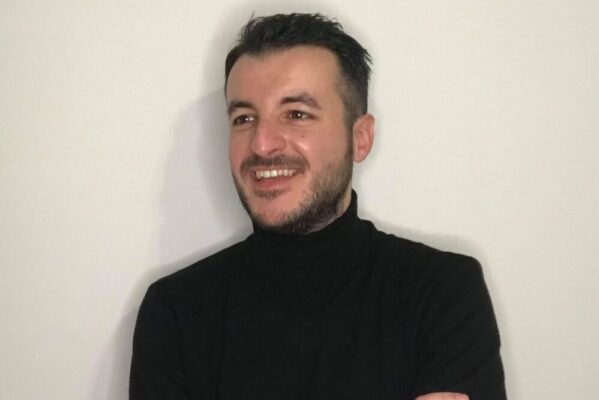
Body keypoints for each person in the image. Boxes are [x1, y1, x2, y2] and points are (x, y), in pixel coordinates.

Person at [129, 13, 506, 400]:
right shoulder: (175, 311)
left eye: (296, 114)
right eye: (244, 118)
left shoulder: (442, 293)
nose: (262, 144)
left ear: (360, 138)